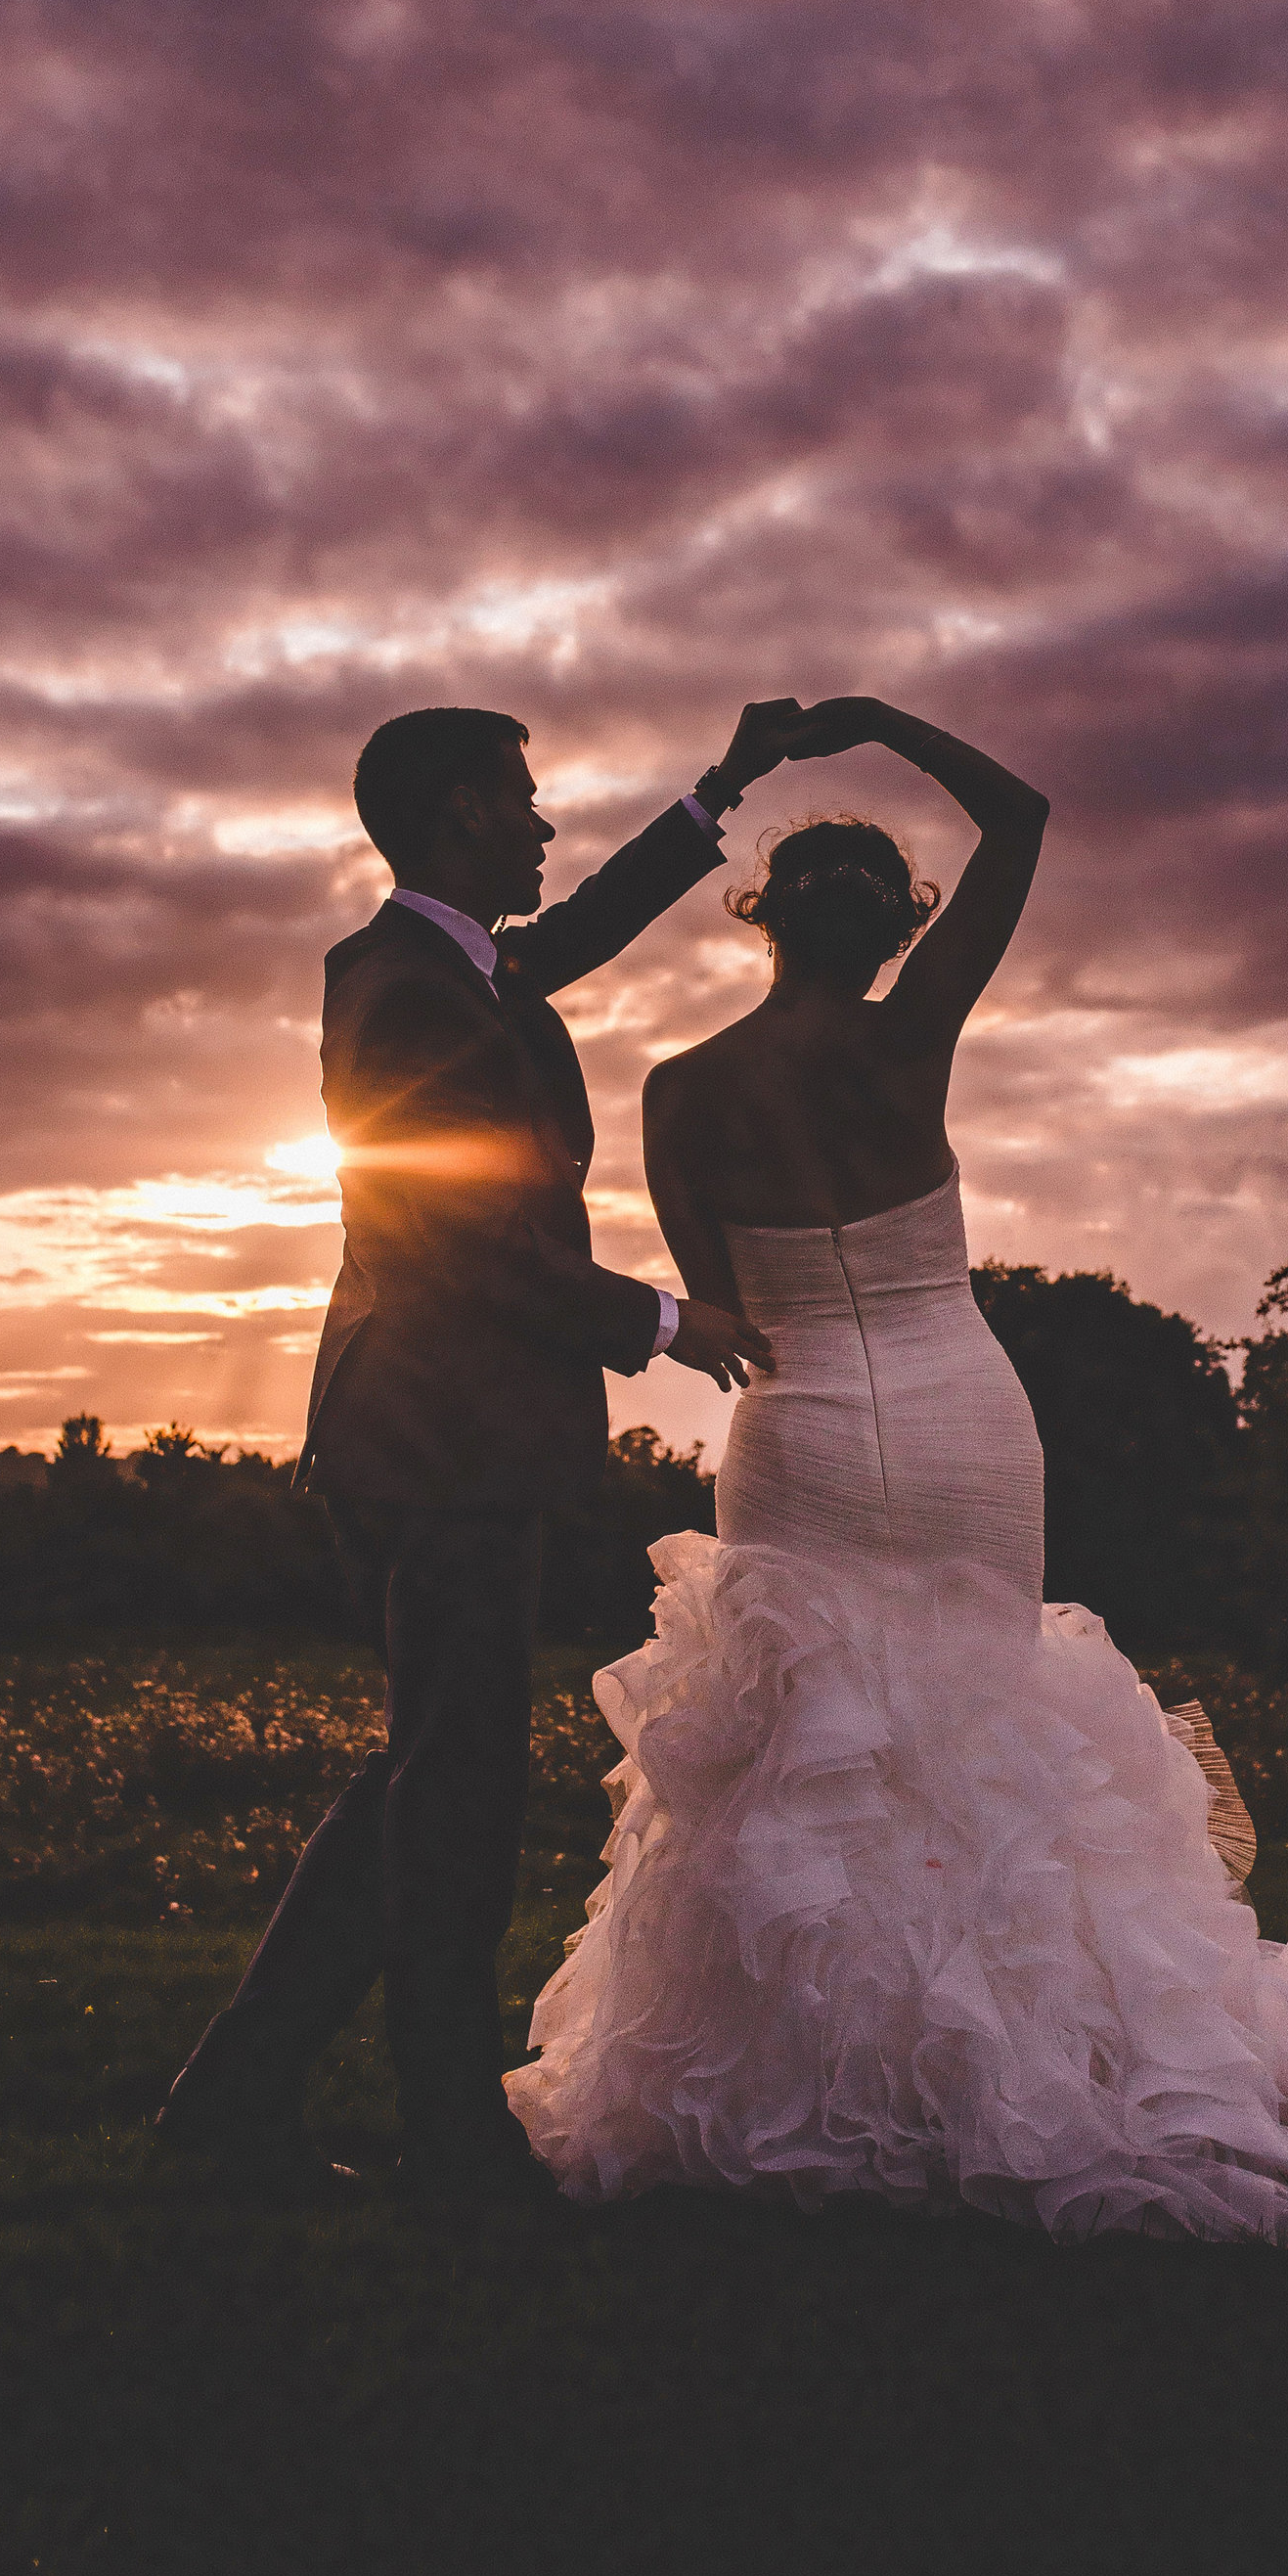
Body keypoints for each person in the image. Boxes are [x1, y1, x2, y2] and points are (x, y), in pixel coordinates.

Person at [507, 700, 1288, 2246]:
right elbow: (1022, 816)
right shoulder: (911, 1039)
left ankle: (836, 2081)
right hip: (966, 1417)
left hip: (806, 1422)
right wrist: (875, 723)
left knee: (811, 1750)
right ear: (898, 925)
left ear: (758, 919)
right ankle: (1017, 2057)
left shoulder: (680, 1092)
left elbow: (729, 1304)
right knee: (976, 1734)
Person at [151, 696, 800, 2204]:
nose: (543, 820)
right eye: (522, 796)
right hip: (435, 1437)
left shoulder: (458, 968)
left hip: (447, 1434)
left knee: (420, 1780)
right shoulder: (403, 988)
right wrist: (657, 1316)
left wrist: (721, 790)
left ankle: (233, 2099)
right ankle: (446, 2133)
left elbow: (577, 929)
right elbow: (444, 1231)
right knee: (455, 1794)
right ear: (455, 811)